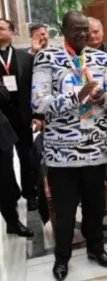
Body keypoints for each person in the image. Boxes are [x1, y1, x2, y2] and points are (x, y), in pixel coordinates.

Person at [32, 11, 107, 281]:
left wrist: (104, 97)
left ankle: (96, 248)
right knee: (66, 210)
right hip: (62, 152)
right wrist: (75, 96)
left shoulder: (99, 57)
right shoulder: (47, 57)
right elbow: (38, 103)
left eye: (86, 30)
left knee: (95, 207)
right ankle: (62, 258)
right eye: (77, 30)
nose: (83, 35)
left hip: (95, 147)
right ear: (64, 29)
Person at [0, 19, 41, 211]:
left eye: (1, 28)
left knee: (27, 156)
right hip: (2, 118)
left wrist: (36, 114)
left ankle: (30, 193)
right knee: (5, 161)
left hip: (22, 114)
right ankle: (11, 194)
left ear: (12, 33)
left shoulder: (24, 58)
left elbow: (34, 88)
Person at [0, 104, 33, 238]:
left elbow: (4, 95)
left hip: (2, 134)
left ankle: (12, 219)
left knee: (6, 177)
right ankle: (12, 221)